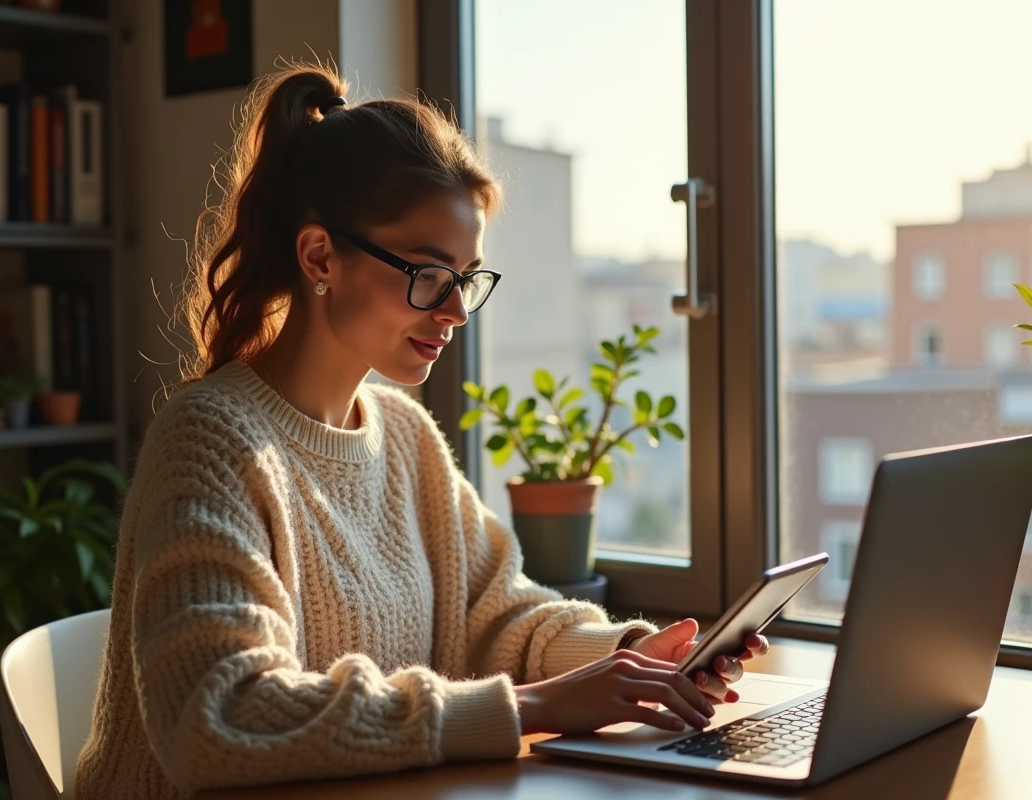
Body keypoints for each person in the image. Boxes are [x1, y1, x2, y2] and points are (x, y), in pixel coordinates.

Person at [75, 63, 768, 799]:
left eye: (466, 279)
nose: (456, 312)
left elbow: (496, 618)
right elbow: (220, 717)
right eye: (429, 275)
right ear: (320, 256)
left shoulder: (404, 435)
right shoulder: (212, 440)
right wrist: (531, 707)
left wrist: (631, 654)